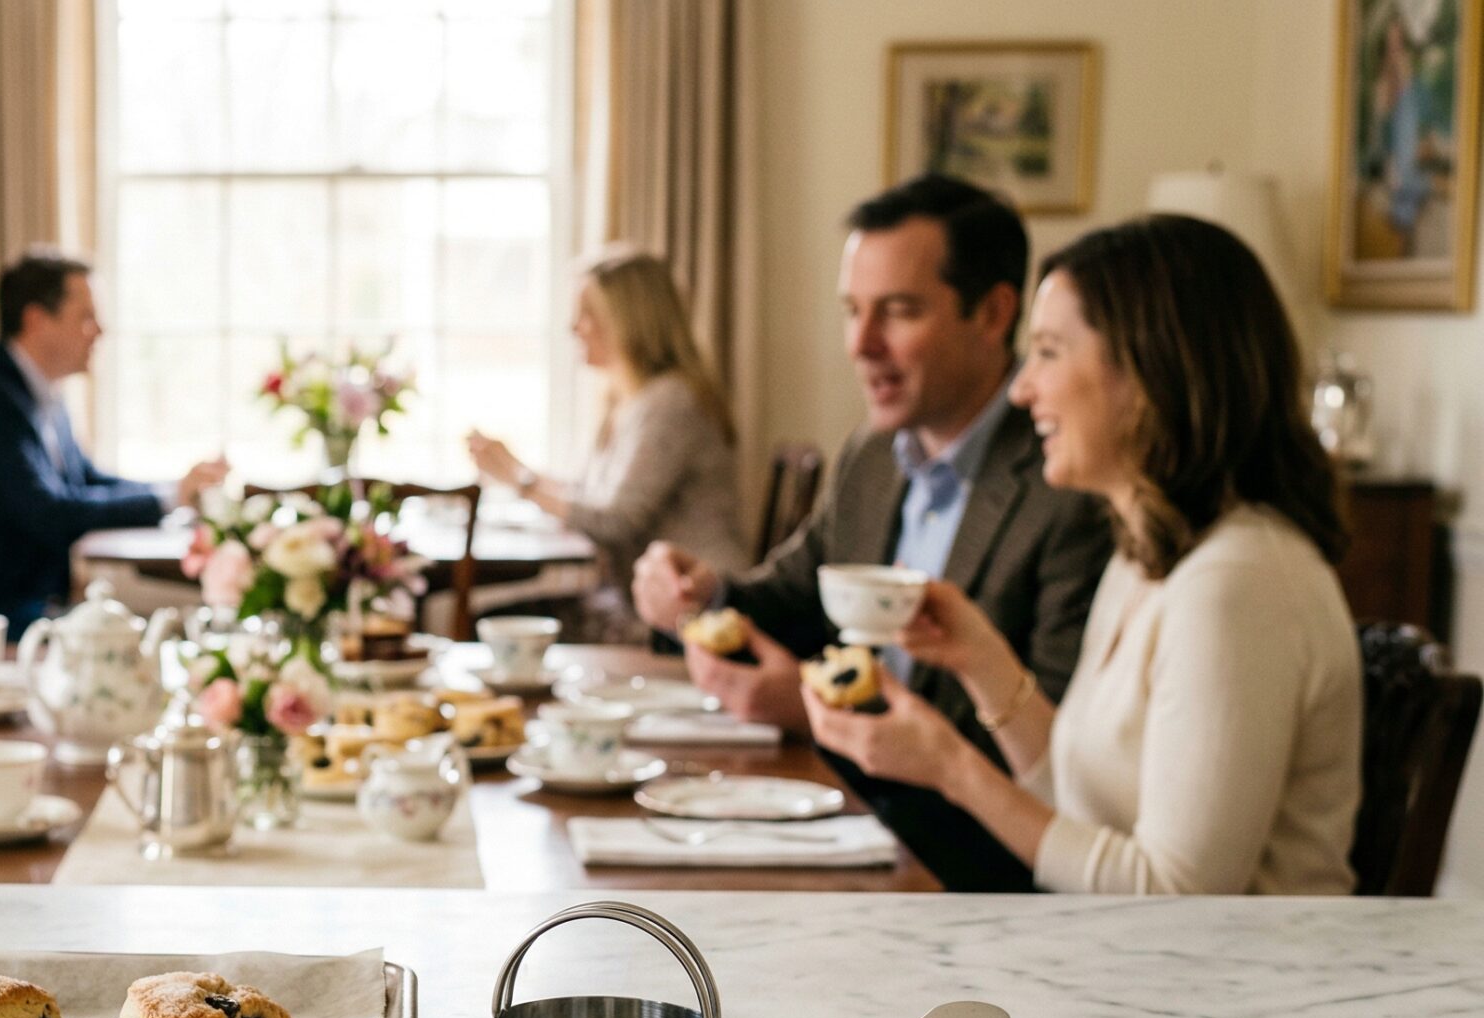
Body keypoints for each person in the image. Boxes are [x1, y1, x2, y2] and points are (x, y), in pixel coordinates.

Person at [802, 214, 1360, 894]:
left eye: (1048, 351)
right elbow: (1080, 801)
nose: (1021, 387)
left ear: (1151, 372)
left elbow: (1177, 895)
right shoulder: (1149, 552)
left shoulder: (1238, 584)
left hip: (1227, 992)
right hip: (1125, 967)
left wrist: (952, 767)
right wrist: (981, 659)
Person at [630, 173, 1114, 891]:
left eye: (898, 312)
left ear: (992, 313)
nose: (860, 343)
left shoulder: (1066, 486)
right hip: (849, 820)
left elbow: (1057, 757)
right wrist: (697, 591)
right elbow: (792, 595)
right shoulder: (871, 455)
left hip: (967, 870)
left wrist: (818, 708)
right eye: (853, 310)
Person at [0, 248, 227, 637]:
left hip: (30, 598)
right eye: (86, 317)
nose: (101, 331)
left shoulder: (37, 392)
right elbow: (49, 514)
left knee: (171, 621)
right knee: (164, 628)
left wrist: (172, 492)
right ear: (37, 320)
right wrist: (170, 497)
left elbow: (86, 480)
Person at [465, 248, 746, 642]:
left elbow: (616, 521)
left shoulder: (669, 403)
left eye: (587, 314)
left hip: (694, 606)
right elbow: (590, 497)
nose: (573, 326)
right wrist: (516, 470)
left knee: (494, 629)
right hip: (643, 600)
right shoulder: (630, 400)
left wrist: (520, 480)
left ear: (630, 322)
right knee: (496, 623)